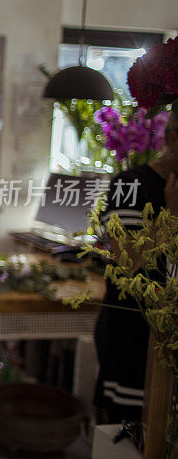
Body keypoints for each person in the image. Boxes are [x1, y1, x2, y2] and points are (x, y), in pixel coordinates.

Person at [94, 106, 178, 423]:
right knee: (128, 437)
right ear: (173, 139)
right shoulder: (131, 184)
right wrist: (171, 216)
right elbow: (127, 258)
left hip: (168, 338)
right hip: (134, 339)